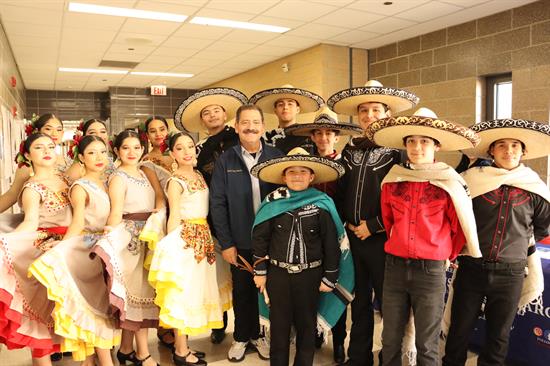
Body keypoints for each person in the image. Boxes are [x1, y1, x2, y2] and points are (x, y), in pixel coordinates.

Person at [365, 108, 481, 365]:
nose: (417, 147)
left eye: (425, 141)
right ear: (405, 145)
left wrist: (445, 255)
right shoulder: (394, 180)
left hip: (431, 271)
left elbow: (458, 226)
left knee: (427, 344)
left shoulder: (449, 182)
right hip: (394, 268)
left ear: (436, 146)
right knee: (390, 339)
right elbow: (388, 219)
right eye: (411, 141)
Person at [443, 119, 550, 366]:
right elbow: (455, 218)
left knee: (499, 337)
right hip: (472, 267)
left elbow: (541, 227)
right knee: (459, 331)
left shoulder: (535, 189)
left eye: (515, 145)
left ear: (523, 152)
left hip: (511, 273)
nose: (508, 150)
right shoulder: (469, 181)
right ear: (491, 151)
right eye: (501, 145)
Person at [326, 80, 419, 366]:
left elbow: (406, 198)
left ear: (387, 113)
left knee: (389, 305)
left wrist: (374, 225)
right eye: (364, 110)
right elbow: (342, 191)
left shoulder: (397, 150)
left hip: (383, 240)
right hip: (353, 239)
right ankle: (359, 357)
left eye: (375, 110)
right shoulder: (350, 150)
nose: (369, 115)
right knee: (359, 303)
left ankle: (389, 358)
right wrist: (345, 225)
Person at [249, 147, 347, 366]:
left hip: (310, 276)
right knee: (279, 327)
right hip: (278, 275)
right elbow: (260, 239)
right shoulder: (272, 202)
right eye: (291, 172)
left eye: (303, 172)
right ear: (283, 176)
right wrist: (260, 271)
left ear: (311, 176)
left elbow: (332, 243)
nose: (297, 176)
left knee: (306, 327)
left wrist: (330, 277)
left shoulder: (322, 203)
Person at [29, 135, 119, 366]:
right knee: (93, 310)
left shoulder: (104, 181)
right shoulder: (80, 187)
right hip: (85, 252)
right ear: (80, 157)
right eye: (91, 153)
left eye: (102, 152)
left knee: (100, 310)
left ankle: (90, 362)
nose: (99, 158)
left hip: (102, 249)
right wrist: (60, 254)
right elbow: (77, 223)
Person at [284, 106, 362, 363]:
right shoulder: (306, 165)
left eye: (329, 133)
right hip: (308, 238)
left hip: (337, 236)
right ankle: (314, 333)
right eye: (318, 133)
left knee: (335, 286)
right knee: (312, 289)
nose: (323, 138)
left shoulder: (347, 165)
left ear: (336, 137)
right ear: (313, 137)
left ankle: (339, 340)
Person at [148, 132, 232, 366]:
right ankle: (181, 352)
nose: (186, 152)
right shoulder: (175, 181)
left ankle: (181, 345)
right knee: (181, 294)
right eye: (180, 148)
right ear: (172, 153)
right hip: (185, 240)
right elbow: (173, 214)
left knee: (194, 292)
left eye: (190, 147)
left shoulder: (198, 175)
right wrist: (172, 246)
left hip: (203, 238)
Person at [210, 104, 283, 362]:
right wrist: (226, 243)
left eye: (255, 122)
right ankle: (241, 337)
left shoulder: (277, 156)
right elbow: (217, 203)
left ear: (262, 126)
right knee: (242, 290)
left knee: (267, 292)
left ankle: (260, 335)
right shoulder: (226, 160)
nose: (250, 127)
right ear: (237, 126)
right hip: (239, 241)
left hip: (273, 241)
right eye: (245, 122)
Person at [174, 86, 248, 344]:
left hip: (242, 212)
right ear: (202, 120)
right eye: (207, 113)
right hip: (214, 219)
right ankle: (220, 323)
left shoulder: (240, 140)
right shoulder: (200, 150)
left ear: (225, 114)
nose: (213, 115)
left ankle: (247, 329)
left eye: (217, 110)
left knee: (241, 276)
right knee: (218, 274)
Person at [92, 130, 165, 366]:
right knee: (135, 296)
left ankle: (125, 349)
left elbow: (160, 198)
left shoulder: (147, 171)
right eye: (126, 148)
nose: (132, 152)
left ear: (143, 149)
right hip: (130, 238)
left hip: (151, 234)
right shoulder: (118, 177)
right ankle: (143, 353)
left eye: (136, 147)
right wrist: (108, 241)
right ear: (116, 151)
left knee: (145, 293)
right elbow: (115, 212)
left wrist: (158, 217)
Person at [0, 133, 73, 366]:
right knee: (41, 314)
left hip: (74, 245)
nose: (46, 150)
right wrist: (7, 244)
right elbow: (30, 222)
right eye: (39, 147)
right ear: (28, 155)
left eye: (51, 146)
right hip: (49, 248)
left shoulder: (68, 179)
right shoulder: (31, 187)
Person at [1, 113, 69, 213]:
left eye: (58, 129)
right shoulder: (29, 165)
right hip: (39, 220)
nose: (54, 133)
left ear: (62, 133)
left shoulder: (68, 160)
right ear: (37, 131)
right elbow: (12, 194)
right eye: (48, 129)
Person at [249, 84, 324, 154]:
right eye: (281, 104)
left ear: (297, 109)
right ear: (275, 110)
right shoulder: (266, 138)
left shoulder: (309, 136)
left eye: (290, 104)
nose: (285, 107)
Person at [65, 118, 115, 182]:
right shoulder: (78, 164)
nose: (99, 135)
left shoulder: (109, 161)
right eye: (92, 132)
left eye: (103, 131)